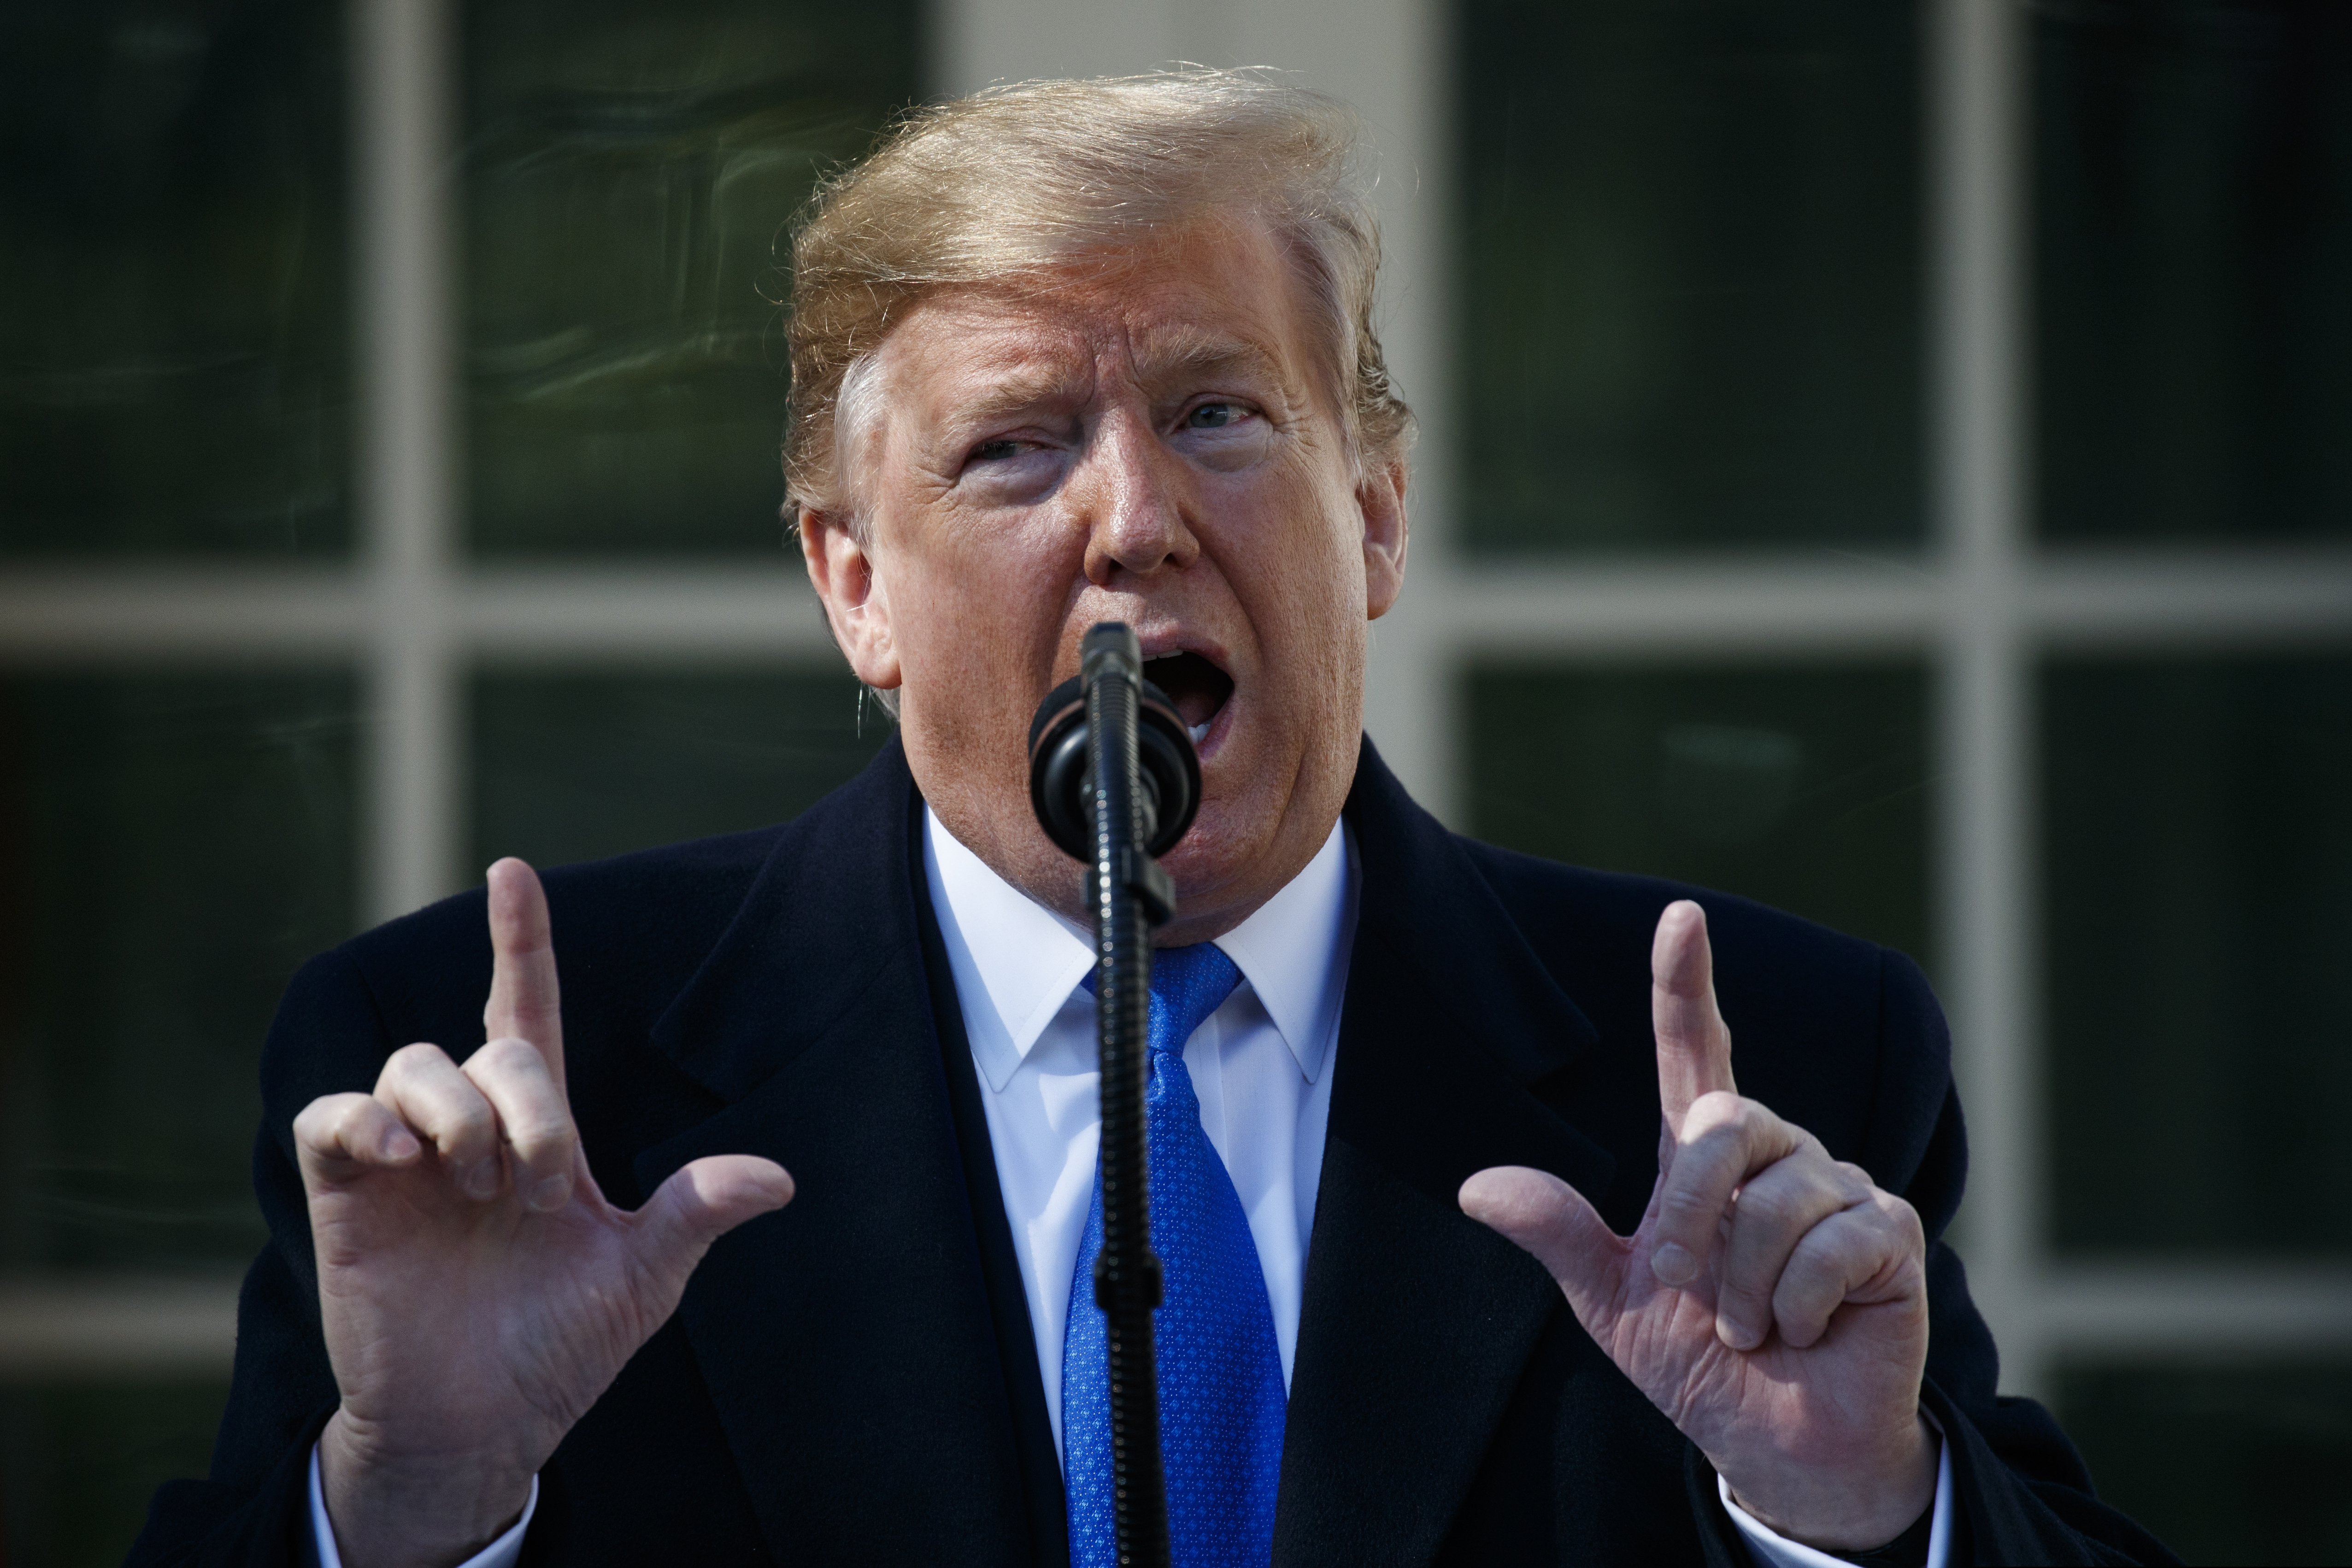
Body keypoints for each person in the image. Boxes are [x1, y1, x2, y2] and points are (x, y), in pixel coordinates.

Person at [132, 71, 2173, 1568]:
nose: (1133, 520)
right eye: (1015, 449)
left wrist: (1853, 1516)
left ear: (1370, 514)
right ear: (852, 584)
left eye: (1217, 412)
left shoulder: (1771, 1074)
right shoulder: (495, 1103)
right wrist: (407, 1507)